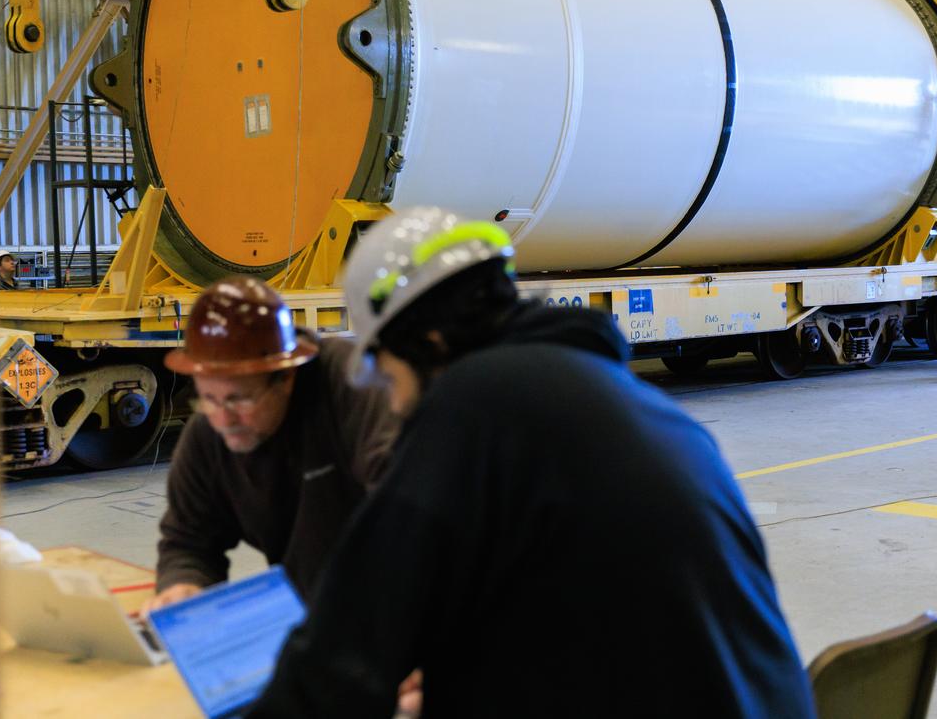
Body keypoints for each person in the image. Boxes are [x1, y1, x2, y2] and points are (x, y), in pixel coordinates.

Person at [248, 208, 813, 718]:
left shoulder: (475, 402)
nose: (392, 402)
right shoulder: (621, 398)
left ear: (432, 338)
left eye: (387, 371)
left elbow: (347, 646)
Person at [141, 276, 400, 613]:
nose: (224, 419)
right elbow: (189, 540)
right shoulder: (209, 435)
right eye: (209, 399)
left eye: (239, 400)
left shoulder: (354, 387)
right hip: (316, 614)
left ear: (286, 378)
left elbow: (410, 515)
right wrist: (184, 584)